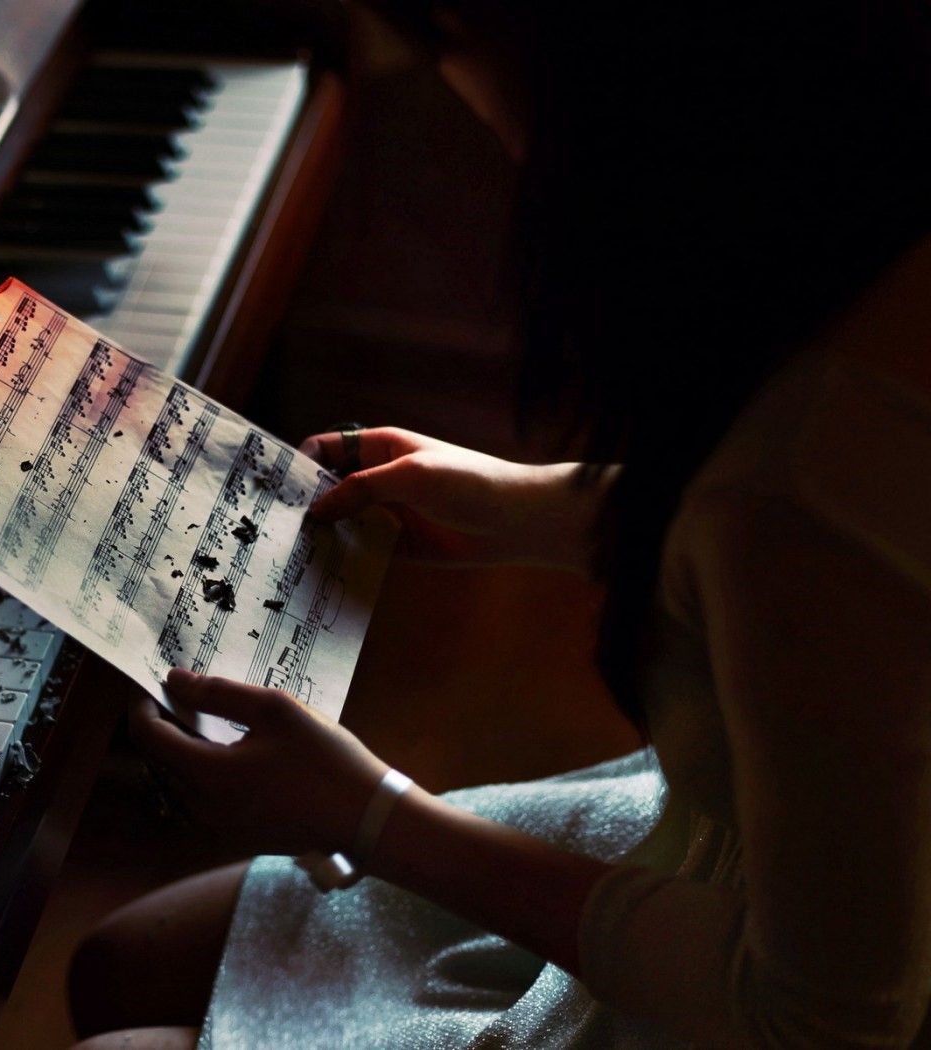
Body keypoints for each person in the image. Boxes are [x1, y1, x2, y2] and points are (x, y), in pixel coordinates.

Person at [67, 1, 931, 1046]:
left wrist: (371, 816)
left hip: (772, 971)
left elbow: (824, 1024)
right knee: (123, 961)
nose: (432, 79)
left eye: (444, 39)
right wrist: (530, 502)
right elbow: (861, 586)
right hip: (762, 824)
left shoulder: (799, 480)